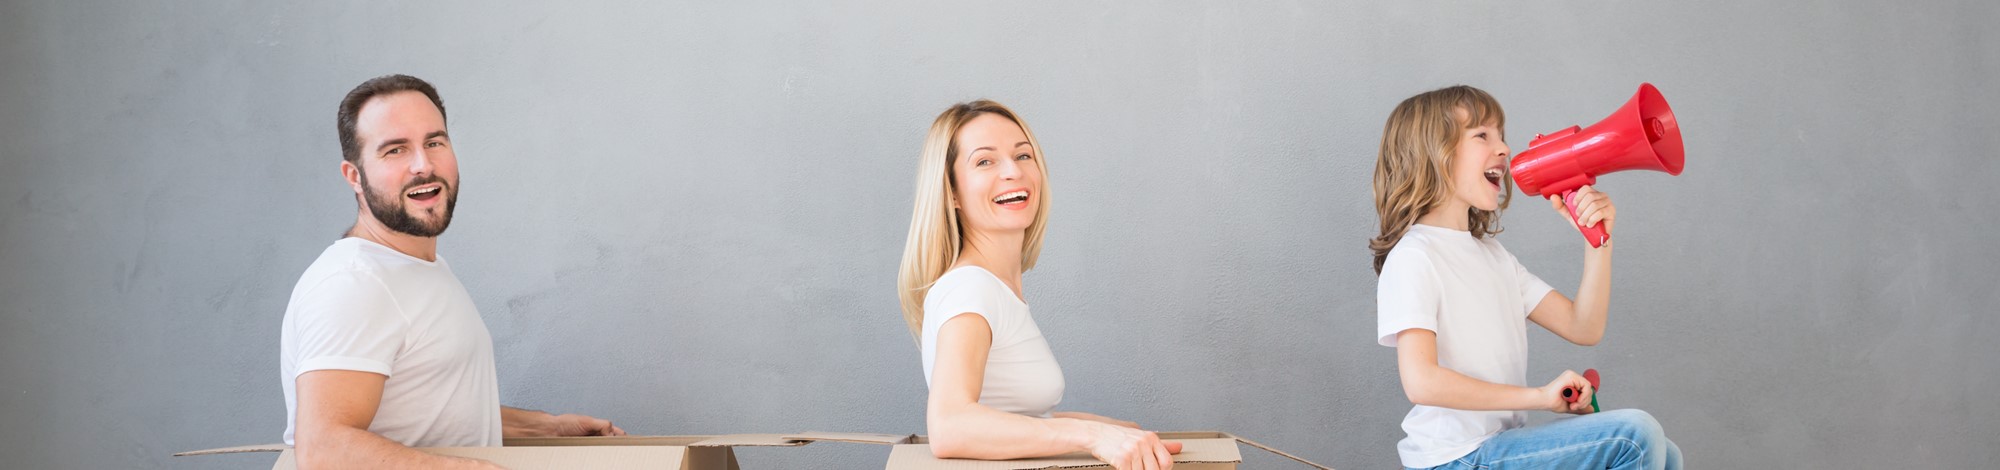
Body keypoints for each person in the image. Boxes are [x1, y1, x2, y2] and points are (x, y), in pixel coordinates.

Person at [280, 74, 625, 469]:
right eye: (395, 150)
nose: (423, 165)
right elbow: (323, 450)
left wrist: (545, 428)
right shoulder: (355, 284)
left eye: (434, 142)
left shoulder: (416, 268)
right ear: (354, 176)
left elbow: (432, 406)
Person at [1370, 85, 1681, 469]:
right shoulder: (1415, 256)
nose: (1503, 149)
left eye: (1502, 136)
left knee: (1668, 453)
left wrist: (1597, 240)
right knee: (1634, 436)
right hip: (1454, 459)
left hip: (1498, 447)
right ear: (1432, 154)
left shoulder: (1494, 258)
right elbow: (1422, 382)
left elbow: (1584, 327)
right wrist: (1540, 396)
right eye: (1482, 135)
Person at [896, 100, 1181, 470]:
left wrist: (1100, 428)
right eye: (985, 161)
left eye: (1023, 155)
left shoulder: (993, 289)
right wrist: (1091, 437)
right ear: (951, 192)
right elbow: (950, 426)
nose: (1013, 171)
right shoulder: (970, 289)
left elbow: (1005, 416)